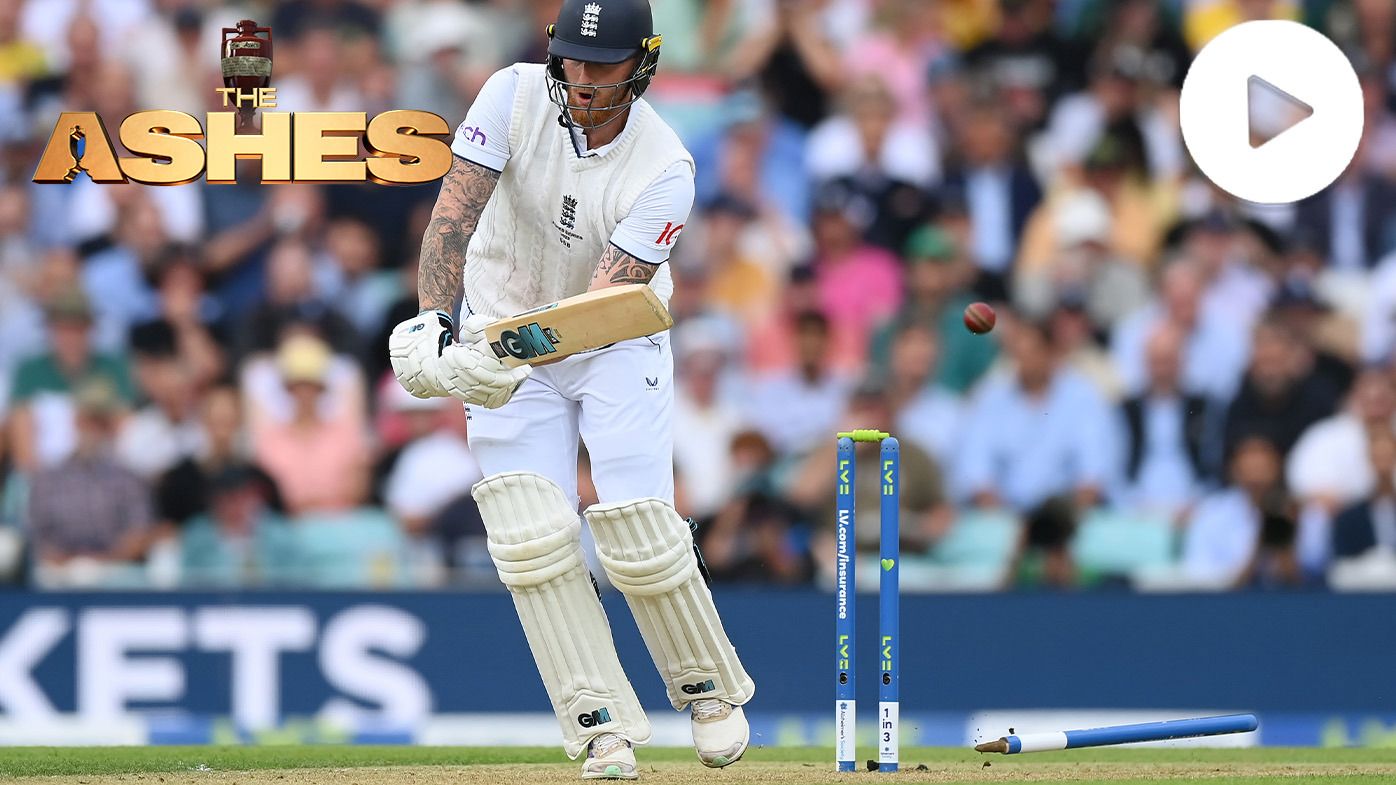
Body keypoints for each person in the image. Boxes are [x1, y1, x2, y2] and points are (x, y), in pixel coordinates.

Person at [386, 1, 754, 778]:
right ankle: (600, 726)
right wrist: (433, 324)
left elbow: (593, 308)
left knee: (634, 526)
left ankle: (709, 692)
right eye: (572, 61)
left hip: (612, 334)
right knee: (528, 535)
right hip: (501, 315)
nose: (582, 81)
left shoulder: (665, 169)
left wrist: (493, 355)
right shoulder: (511, 93)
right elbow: (454, 213)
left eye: (603, 65)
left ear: (644, 63)